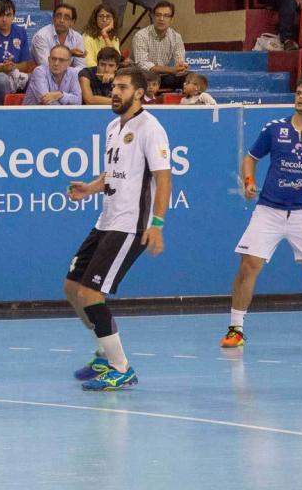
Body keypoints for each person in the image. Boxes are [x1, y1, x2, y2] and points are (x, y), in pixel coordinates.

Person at [65, 67, 172, 391]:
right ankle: (103, 351)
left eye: (122, 87)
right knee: (72, 289)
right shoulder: (113, 126)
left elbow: (164, 180)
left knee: (91, 293)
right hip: (106, 220)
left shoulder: (151, 129)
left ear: (139, 93)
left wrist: (156, 224)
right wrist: (91, 187)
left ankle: (120, 367)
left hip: (130, 225)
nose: (115, 92)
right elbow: (114, 173)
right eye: (113, 86)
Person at [221, 77, 302, 348]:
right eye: (299, 92)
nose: (301, 96)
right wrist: (249, 181)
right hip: (269, 209)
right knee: (248, 265)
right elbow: (251, 158)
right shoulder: (275, 128)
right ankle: (236, 329)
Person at [132, 0, 188, 90]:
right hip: (143, 77)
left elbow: (180, 60)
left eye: (166, 16)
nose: (161, 19)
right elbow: (142, 64)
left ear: (171, 19)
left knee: (190, 78)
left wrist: (181, 66)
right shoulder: (141, 35)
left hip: (163, 77)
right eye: (158, 15)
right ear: (153, 17)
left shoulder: (176, 37)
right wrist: (171, 70)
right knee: (141, 77)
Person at [30, 3, 85, 69]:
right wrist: (69, 53)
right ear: (53, 19)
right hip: (45, 77)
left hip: (69, 76)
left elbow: (81, 66)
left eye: (66, 18)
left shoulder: (78, 38)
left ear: (72, 22)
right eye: (58, 16)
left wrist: (70, 74)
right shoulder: (41, 36)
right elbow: (47, 65)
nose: (61, 20)